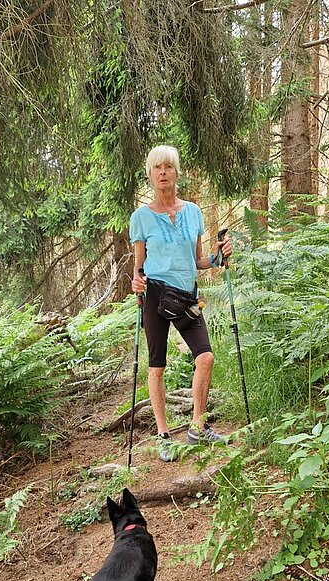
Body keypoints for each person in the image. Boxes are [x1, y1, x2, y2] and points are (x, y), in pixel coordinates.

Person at [129, 144, 232, 462]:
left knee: (206, 358)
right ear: (150, 174)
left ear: (176, 173)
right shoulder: (141, 218)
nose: (163, 173)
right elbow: (138, 267)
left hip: (186, 296)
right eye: (157, 168)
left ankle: (197, 426)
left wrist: (219, 256)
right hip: (155, 294)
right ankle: (163, 435)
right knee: (157, 366)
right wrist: (135, 282)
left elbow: (199, 259)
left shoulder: (193, 212)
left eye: (168, 167)